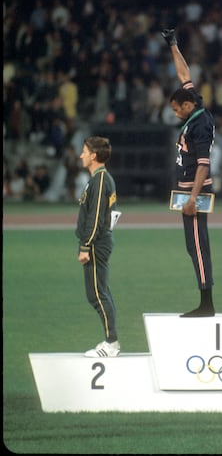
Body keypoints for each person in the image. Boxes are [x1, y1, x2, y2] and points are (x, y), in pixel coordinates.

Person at [161, 28, 216, 317]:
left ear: (186, 105)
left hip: (195, 190)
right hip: (188, 189)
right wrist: (173, 44)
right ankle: (205, 300)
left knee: (197, 244)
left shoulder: (199, 125)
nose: (174, 113)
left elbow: (204, 164)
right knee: (192, 245)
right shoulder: (194, 105)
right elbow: (184, 74)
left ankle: (206, 304)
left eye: (175, 109)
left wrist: (192, 198)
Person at [76, 136, 120, 357]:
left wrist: (85, 245)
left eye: (84, 151)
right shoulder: (99, 178)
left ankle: (111, 343)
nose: (81, 155)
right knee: (100, 292)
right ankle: (111, 341)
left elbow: (94, 218)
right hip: (98, 242)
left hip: (95, 243)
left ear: (94, 155)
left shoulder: (100, 179)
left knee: (97, 294)